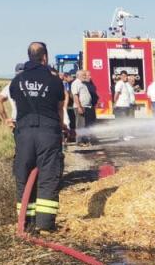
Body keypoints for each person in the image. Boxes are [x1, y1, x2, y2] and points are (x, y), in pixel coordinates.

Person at [6, 42, 67, 232]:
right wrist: (62, 126)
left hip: (24, 133)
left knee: (23, 177)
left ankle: (25, 222)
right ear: (45, 57)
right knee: (48, 178)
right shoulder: (54, 81)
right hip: (48, 133)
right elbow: (59, 108)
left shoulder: (17, 81)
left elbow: (17, 103)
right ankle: (45, 225)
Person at [69, 71, 91, 145]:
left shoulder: (82, 83)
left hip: (84, 106)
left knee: (84, 124)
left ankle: (84, 140)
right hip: (80, 107)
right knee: (80, 125)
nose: (85, 76)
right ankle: (79, 141)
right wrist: (79, 107)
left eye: (85, 75)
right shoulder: (76, 83)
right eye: (83, 75)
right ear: (78, 75)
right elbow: (75, 96)